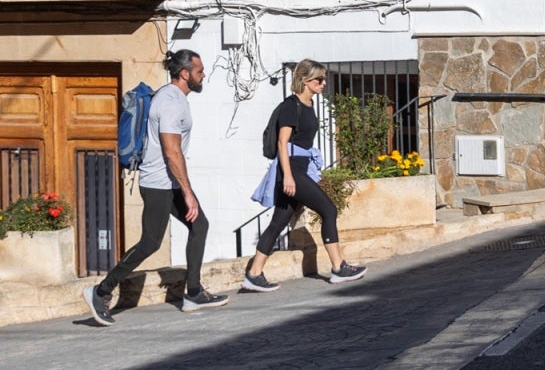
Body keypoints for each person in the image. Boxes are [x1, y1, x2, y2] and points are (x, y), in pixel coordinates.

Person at [84, 49, 228, 326]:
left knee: (199, 226)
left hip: (170, 181)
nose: (203, 75)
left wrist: (183, 188)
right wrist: (187, 192)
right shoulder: (171, 102)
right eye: (199, 71)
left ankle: (194, 293)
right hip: (158, 183)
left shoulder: (173, 98)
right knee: (151, 242)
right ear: (185, 74)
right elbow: (172, 151)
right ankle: (100, 291)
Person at [240, 60, 365, 291]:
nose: (323, 83)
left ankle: (254, 274)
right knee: (329, 209)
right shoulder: (291, 105)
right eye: (319, 79)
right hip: (292, 170)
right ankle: (338, 268)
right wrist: (287, 176)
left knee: (278, 222)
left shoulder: (309, 105)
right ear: (305, 81)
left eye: (324, 79)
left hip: (300, 167)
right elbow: (282, 142)